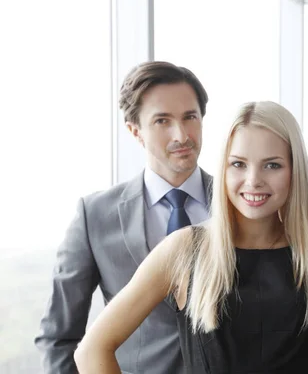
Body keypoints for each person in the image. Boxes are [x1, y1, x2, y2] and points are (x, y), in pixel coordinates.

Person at [73, 101, 308, 374]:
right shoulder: (185, 249)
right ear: (223, 168)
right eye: (238, 164)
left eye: (272, 165)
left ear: (295, 171)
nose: (253, 180)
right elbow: (92, 350)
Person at [35, 61, 212, 374]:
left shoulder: (239, 205)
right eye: (162, 121)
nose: (181, 134)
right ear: (135, 131)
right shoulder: (94, 217)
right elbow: (59, 337)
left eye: (190, 117)